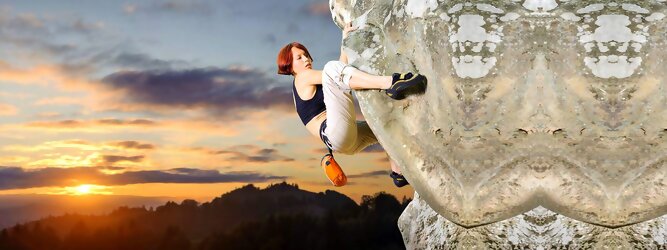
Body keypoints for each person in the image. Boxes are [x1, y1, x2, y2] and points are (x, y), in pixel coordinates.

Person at [276, 22, 426, 187]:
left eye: (306, 54)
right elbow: (334, 72)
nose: (306, 59)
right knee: (330, 68)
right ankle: (391, 83)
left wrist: (345, 40)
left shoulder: (308, 80)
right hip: (335, 133)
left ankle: (398, 173)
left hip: (344, 140)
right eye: (299, 57)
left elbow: (341, 71)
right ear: (290, 67)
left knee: (382, 126)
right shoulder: (302, 78)